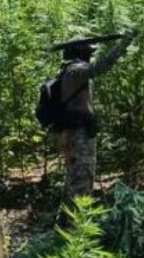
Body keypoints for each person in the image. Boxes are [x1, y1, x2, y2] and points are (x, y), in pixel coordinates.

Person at [48, 33, 133, 220]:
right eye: (89, 52)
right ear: (80, 53)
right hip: (79, 134)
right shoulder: (76, 70)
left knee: (74, 180)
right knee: (82, 180)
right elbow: (100, 67)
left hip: (74, 132)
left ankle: (65, 224)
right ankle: (77, 226)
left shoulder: (67, 71)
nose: (91, 56)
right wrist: (123, 45)